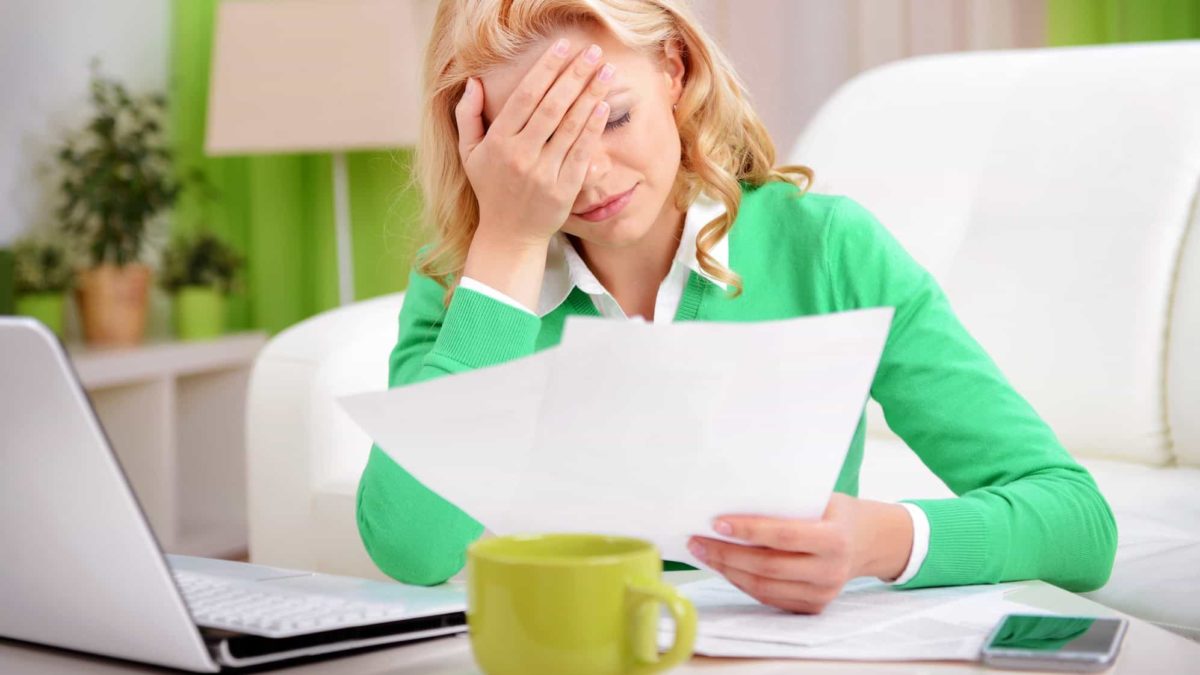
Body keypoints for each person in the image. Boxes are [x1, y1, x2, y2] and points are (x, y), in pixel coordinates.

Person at [356, 0, 1117, 614]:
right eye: (542, 145)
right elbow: (410, 549)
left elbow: (1078, 524)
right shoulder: (470, 279)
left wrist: (878, 540)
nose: (587, 178)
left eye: (613, 118)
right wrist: (510, 249)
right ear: (481, 143)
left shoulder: (826, 247)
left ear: (674, 68)